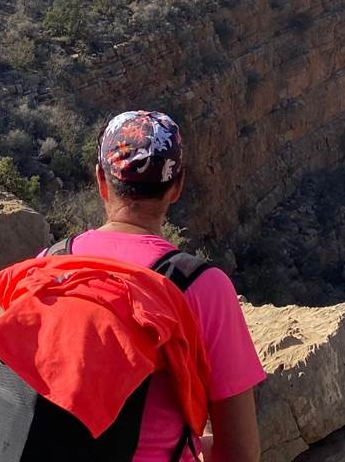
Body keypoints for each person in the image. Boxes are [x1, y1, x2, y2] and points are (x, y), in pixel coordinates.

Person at [56, 110, 263, 462]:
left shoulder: (47, 264)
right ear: (177, 186)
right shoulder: (199, 287)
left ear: (101, 181)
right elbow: (240, 454)